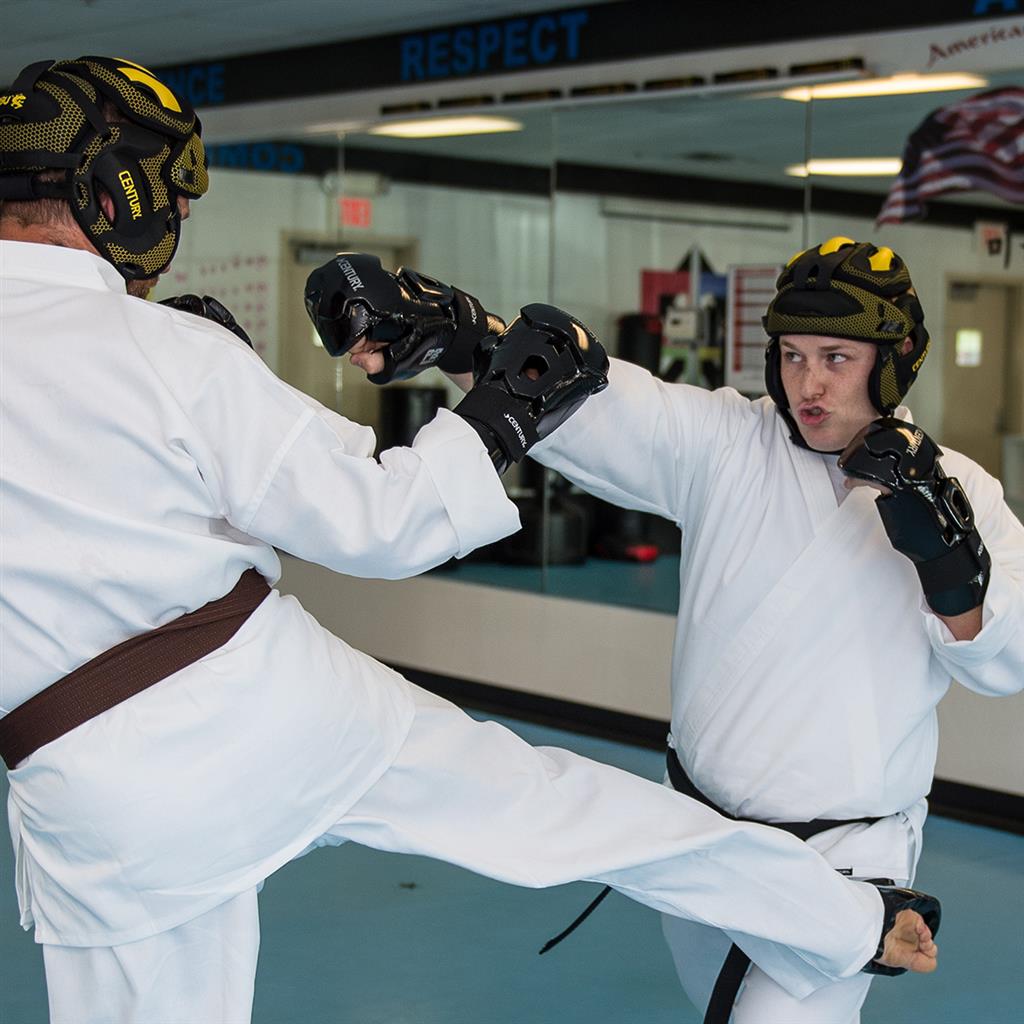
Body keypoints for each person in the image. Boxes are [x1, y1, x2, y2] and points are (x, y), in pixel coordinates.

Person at [0, 58, 940, 1024]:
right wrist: (501, 413)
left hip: (88, 781)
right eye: (176, 195)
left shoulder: (154, 351)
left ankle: (845, 921)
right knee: (565, 810)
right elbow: (380, 522)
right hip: (268, 708)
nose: (180, 218)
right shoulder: (166, 352)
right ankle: (852, 920)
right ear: (117, 189)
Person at [320, 235, 1024, 1024]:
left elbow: (1008, 660)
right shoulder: (732, 442)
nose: (809, 384)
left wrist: (946, 554)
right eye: (792, 356)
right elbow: (597, 402)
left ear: (893, 362)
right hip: (701, 840)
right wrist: (457, 333)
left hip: (847, 858)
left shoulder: (965, 491)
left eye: (837, 359)